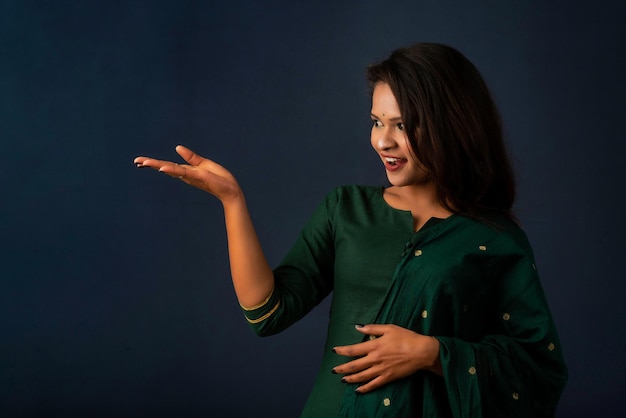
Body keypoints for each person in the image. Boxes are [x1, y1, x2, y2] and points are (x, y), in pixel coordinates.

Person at [134, 43, 567, 417]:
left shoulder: (492, 240)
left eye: (402, 124)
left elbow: (539, 372)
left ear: (451, 124)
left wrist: (432, 353)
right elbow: (267, 314)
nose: (383, 141)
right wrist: (232, 201)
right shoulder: (347, 209)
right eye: (378, 121)